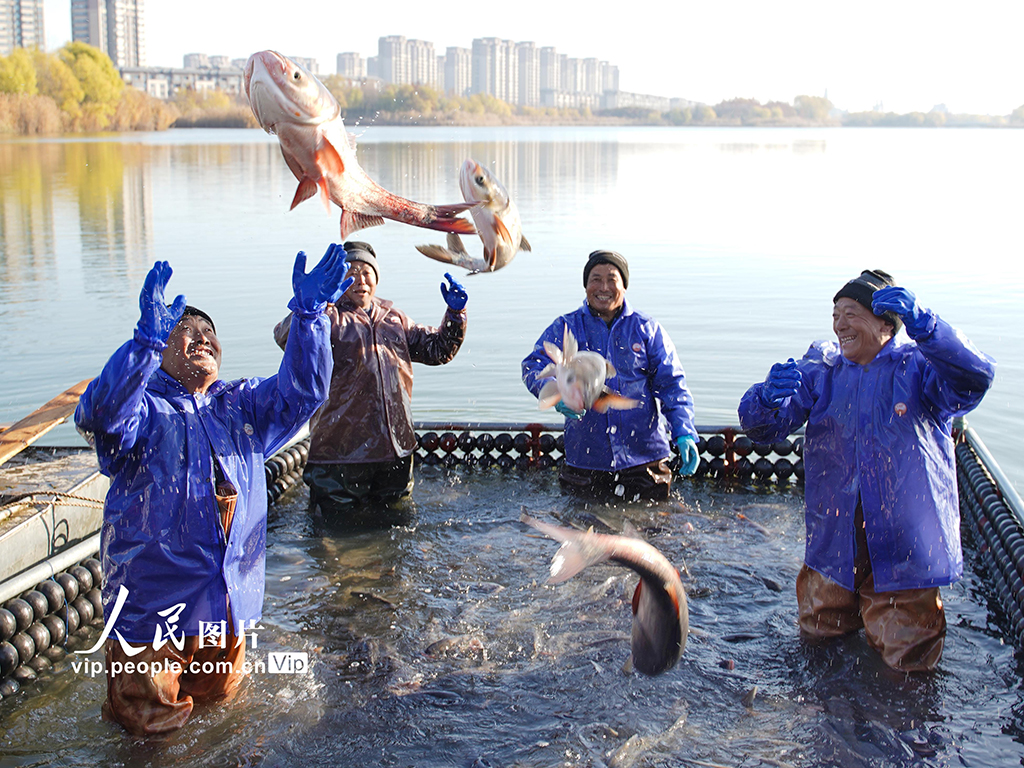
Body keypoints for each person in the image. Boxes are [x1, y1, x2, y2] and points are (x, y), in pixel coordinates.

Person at [74, 245, 352, 735]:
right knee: (148, 736)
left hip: (226, 604)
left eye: (210, 334)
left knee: (223, 723)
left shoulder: (240, 406)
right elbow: (100, 415)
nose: (202, 338)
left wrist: (310, 318)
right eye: (187, 331)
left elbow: (303, 394)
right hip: (152, 614)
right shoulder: (143, 411)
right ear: (162, 348)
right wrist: (141, 345)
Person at [738, 269, 996, 672]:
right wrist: (767, 398)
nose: (840, 323)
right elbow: (761, 429)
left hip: (905, 549)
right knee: (818, 649)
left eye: (852, 312)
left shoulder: (920, 370)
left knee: (907, 667)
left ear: (885, 323)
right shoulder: (822, 372)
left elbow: (975, 376)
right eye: (836, 314)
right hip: (832, 544)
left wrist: (926, 323)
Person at [274, 241, 468, 525]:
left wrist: (455, 316)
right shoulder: (326, 315)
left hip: (395, 449)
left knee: (397, 529)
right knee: (334, 530)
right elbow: (286, 339)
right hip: (339, 452)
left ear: (376, 278)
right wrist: (310, 305)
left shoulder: (394, 318)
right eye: (351, 272)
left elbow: (437, 350)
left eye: (367, 272)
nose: (360, 280)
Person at [521, 250, 699, 502]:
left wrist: (683, 431)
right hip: (586, 460)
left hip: (645, 460)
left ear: (624, 286)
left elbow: (672, 385)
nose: (603, 287)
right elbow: (533, 365)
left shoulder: (646, 328)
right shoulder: (565, 327)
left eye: (612, 279)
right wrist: (554, 393)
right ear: (585, 286)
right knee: (581, 532)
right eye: (595, 279)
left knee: (654, 533)